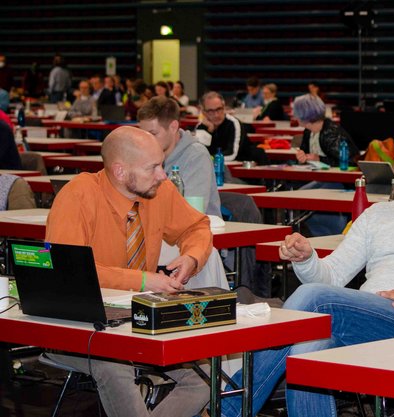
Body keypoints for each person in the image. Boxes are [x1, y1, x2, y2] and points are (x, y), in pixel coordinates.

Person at [220, 114, 394, 417]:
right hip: (364, 321)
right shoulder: (378, 215)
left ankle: (226, 410)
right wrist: (307, 260)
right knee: (306, 351)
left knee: (316, 301)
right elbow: (331, 276)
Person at [44, 126, 212, 417]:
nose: (163, 175)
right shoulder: (78, 196)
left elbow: (196, 227)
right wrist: (144, 280)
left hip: (140, 321)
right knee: (115, 364)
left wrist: (192, 257)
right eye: (154, 167)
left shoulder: (159, 191)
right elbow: (68, 271)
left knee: (206, 376)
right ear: (120, 171)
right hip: (78, 326)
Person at [137, 96, 221, 216]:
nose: (146, 141)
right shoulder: (145, 154)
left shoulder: (196, 156)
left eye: (153, 133)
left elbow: (191, 212)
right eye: (143, 134)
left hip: (197, 231)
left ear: (173, 127)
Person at [293, 94, 359, 235]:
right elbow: (307, 153)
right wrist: (303, 157)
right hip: (322, 178)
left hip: (340, 182)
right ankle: (319, 234)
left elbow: (348, 162)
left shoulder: (331, 132)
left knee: (305, 196)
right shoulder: (308, 131)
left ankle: (333, 232)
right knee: (300, 195)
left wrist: (319, 159)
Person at [196, 91, 260, 163]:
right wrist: (209, 132)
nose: (216, 115)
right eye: (211, 111)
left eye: (219, 109)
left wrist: (210, 159)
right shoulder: (201, 126)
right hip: (213, 168)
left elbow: (232, 154)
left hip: (241, 168)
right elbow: (199, 153)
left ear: (224, 108)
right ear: (204, 112)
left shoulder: (234, 123)